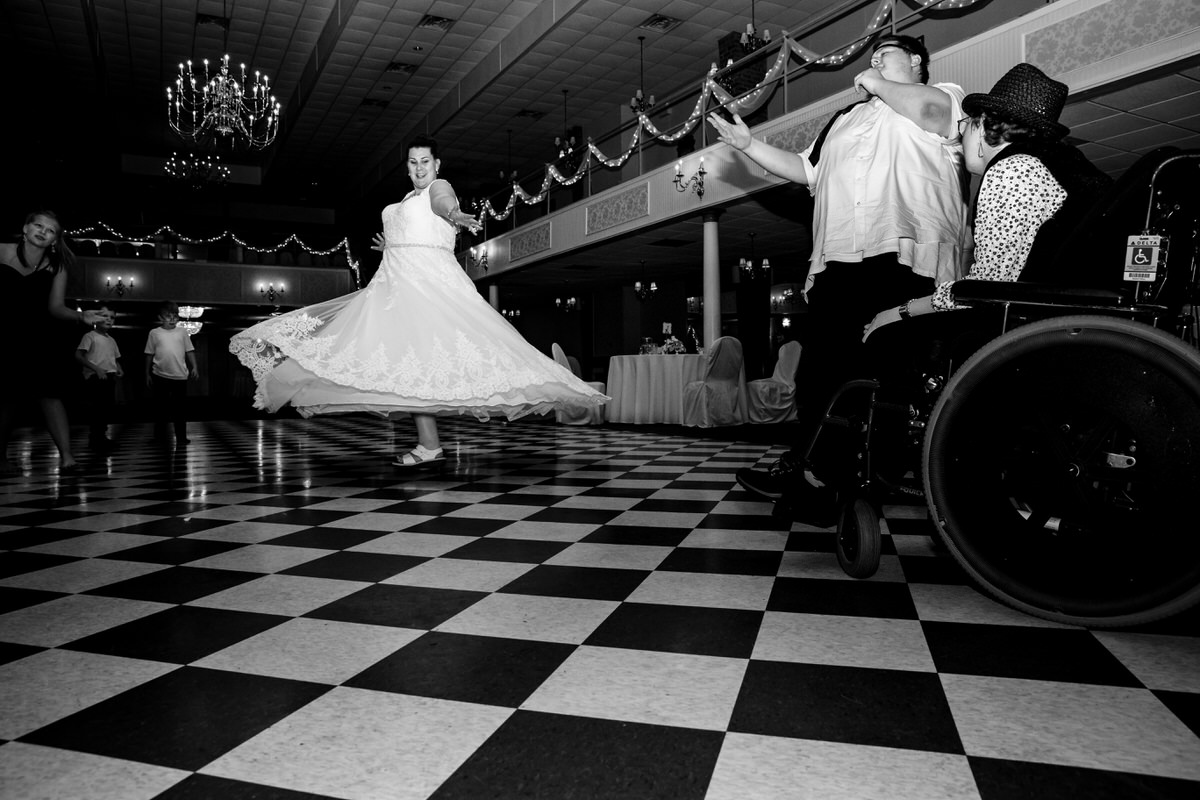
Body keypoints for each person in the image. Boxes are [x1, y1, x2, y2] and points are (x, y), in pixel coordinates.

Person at [229, 135, 607, 467]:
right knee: (404, 369)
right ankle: (429, 445)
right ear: (406, 166)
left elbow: (442, 203)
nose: (419, 167)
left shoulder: (438, 188)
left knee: (453, 357)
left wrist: (454, 213)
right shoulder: (406, 198)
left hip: (426, 287)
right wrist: (391, 243)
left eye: (425, 161)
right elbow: (413, 226)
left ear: (436, 164)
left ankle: (436, 442)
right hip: (394, 287)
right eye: (413, 162)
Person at [707, 35, 969, 510]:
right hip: (841, 257)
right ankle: (807, 470)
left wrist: (876, 81)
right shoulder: (843, 119)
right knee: (822, 372)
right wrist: (749, 146)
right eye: (872, 57)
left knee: (887, 370)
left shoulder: (945, 96)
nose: (874, 60)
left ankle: (871, 474)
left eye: (885, 53)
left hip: (903, 253)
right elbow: (806, 171)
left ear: (916, 62)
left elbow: (933, 116)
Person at [863, 62, 1111, 339]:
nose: (960, 135)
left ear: (981, 126)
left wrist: (902, 311)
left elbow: (988, 286)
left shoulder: (1013, 169)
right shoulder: (1056, 164)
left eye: (965, 125)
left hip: (1048, 332)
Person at [0, 210, 111, 474]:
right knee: (5, 398)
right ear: (25, 229)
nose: (43, 231)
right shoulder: (1, 251)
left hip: (38, 336)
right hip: (4, 334)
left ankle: (67, 458)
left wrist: (82, 316)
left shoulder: (56, 265)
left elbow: (55, 308)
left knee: (50, 394)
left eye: (50, 230)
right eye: (38, 225)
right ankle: (0, 459)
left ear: (54, 239)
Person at [144, 300, 197, 446]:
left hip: (179, 376)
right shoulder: (154, 333)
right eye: (168, 315)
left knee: (180, 409)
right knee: (160, 409)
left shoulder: (182, 332)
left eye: (175, 315)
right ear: (160, 317)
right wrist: (147, 373)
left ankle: (181, 437)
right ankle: (159, 437)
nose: (173, 318)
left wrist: (195, 367)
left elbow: (189, 350)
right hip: (159, 374)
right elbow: (149, 353)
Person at [75, 304, 123, 451]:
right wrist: (96, 369)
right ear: (96, 319)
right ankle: (95, 440)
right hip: (95, 378)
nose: (109, 320)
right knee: (98, 409)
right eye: (105, 316)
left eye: (112, 317)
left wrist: (118, 368)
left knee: (106, 409)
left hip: (108, 377)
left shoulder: (111, 340)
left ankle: (101, 438)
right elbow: (78, 355)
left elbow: (114, 358)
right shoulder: (90, 336)